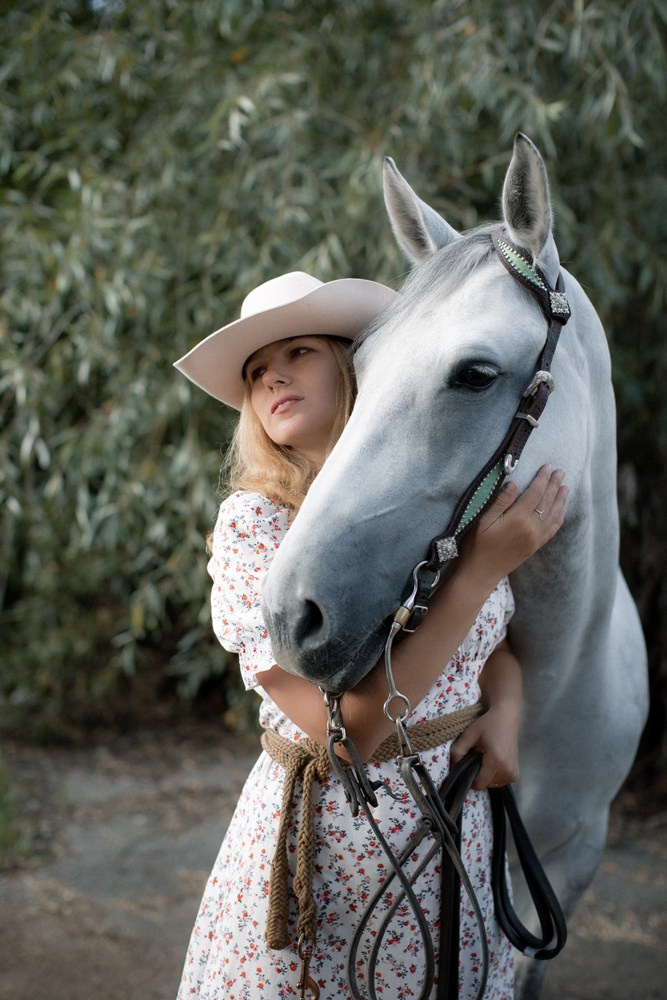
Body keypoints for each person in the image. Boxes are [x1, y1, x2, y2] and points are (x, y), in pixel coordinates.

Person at [173, 271, 568, 1000]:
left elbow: (489, 650)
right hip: (337, 845)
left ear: (354, 365)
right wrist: (480, 570)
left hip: (456, 828)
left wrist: (505, 713)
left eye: (298, 352)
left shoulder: (436, 502)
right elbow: (346, 738)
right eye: (256, 372)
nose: (272, 377)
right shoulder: (256, 527)